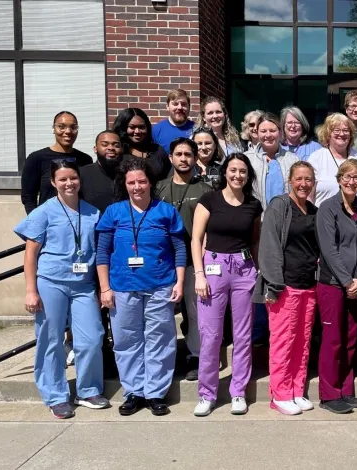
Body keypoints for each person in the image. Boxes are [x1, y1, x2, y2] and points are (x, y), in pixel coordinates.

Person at [14, 160, 108, 419]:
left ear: (80, 180)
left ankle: (87, 389)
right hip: (51, 282)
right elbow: (30, 254)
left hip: (83, 286)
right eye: (63, 179)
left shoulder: (92, 213)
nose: (69, 183)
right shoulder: (44, 212)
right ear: (54, 183)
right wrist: (31, 291)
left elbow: (99, 252)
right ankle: (55, 396)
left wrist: (103, 286)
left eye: (73, 178)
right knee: (51, 339)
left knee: (91, 337)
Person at [96, 158, 186, 417]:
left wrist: (179, 282)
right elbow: (103, 252)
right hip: (122, 287)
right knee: (126, 340)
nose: (137, 187)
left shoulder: (166, 211)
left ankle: (156, 392)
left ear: (151, 183)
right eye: (132, 182)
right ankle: (134, 391)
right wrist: (104, 288)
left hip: (160, 286)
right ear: (125, 185)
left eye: (142, 181)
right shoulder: (114, 212)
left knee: (160, 339)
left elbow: (179, 249)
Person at [190, 153, 262, 417]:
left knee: (243, 335)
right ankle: (206, 394)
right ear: (225, 173)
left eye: (242, 171)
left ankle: (238, 392)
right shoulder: (209, 199)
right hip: (213, 268)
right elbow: (196, 239)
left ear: (248, 175)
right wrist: (199, 274)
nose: (237, 176)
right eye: (233, 170)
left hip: (243, 269)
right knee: (211, 334)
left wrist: (256, 269)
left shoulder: (253, 205)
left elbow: (255, 240)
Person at [255, 162, 320, 415]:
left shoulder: (313, 210)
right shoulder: (279, 206)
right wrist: (273, 283)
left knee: (302, 342)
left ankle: (295, 389)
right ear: (290, 181)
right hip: (284, 286)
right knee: (283, 341)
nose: (303, 184)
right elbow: (269, 245)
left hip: (308, 285)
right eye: (299, 179)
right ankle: (279, 394)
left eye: (308, 179)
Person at [315, 159, 357, 414]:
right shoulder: (327, 208)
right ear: (339, 179)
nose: (352, 182)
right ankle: (329, 394)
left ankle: (345, 389)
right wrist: (347, 281)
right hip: (332, 283)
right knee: (333, 339)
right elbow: (328, 249)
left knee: (350, 338)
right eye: (347, 177)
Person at [156, 137, 213, 382]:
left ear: (195, 157)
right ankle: (164, 358)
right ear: (171, 158)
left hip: (194, 261)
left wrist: (203, 258)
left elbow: (211, 227)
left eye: (188, 154)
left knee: (195, 310)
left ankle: (195, 356)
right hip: (163, 261)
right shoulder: (159, 188)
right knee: (161, 312)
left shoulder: (205, 189)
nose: (183, 158)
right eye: (178, 154)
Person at [21, 111, 93, 214]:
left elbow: (86, 193)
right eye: (61, 127)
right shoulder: (37, 158)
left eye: (73, 127)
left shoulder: (85, 159)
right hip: (48, 220)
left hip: (78, 218)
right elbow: (28, 197)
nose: (68, 131)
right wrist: (36, 221)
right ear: (53, 129)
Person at [307, 113, 357, 206]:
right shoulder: (316, 158)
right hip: (324, 218)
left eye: (346, 130)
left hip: (355, 218)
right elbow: (309, 196)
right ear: (328, 133)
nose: (342, 134)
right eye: (336, 130)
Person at [246, 113, 299, 210]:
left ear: (280, 132)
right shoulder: (247, 159)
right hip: (257, 219)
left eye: (272, 130)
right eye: (263, 131)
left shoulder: (293, 160)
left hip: (285, 218)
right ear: (257, 133)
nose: (268, 135)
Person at [112, 107, 170, 180]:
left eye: (141, 127)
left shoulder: (157, 150)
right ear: (123, 128)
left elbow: (169, 178)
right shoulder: (118, 153)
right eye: (132, 127)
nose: (137, 131)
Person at [81, 131, 123, 213]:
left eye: (116, 145)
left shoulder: (127, 174)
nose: (111, 148)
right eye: (104, 144)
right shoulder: (82, 174)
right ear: (95, 149)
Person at [152, 88, 195, 153]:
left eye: (183, 104)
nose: (179, 107)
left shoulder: (196, 129)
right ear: (167, 106)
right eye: (175, 104)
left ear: (189, 106)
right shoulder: (156, 130)